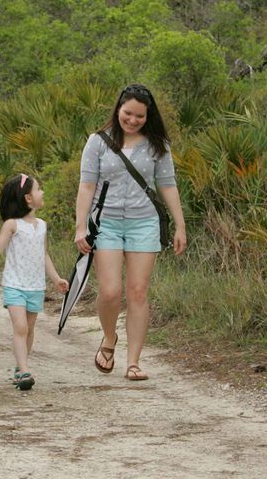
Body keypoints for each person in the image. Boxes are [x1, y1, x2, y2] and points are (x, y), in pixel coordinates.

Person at [74, 83, 187, 381]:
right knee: (110, 291)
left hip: (144, 222)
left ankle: (134, 361)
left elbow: (167, 185)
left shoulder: (157, 145)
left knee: (138, 292)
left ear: (148, 117)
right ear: (118, 110)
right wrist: (80, 226)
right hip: (106, 222)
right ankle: (109, 338)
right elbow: (86, 186)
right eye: (128, 113)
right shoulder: (97, 142)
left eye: (140, 116)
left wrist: (180, 225)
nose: (133, 120)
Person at [0, 174, 69, 390]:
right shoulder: (12, 225)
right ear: (28, 199)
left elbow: (44, 255)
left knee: (30, 328)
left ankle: (20, 366)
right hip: (14, 285)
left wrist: (56, 278)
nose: (42, 193)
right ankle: (24, 371)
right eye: (39, 189)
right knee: (20, 327)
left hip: (36, 286)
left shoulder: (42, 225)